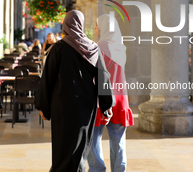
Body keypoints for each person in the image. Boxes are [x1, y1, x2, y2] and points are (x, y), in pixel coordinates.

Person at [35, 10, 115, 172]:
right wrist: (107, 105)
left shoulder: (58, 49)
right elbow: (103, 77)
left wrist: (43, 105)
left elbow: (47, 79)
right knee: (80, 147)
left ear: (65, 25)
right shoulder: (92, 48)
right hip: (85, 107)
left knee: (62, 146)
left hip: (62, 106)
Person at [87, 14, 134, 172]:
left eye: (97, 25)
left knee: (93, 140)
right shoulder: (121, 47)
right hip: (120, 100)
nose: (95, 28)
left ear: (103, 27)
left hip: (101, 100)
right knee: (118, 142)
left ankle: (97, 170)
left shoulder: (97, 47)